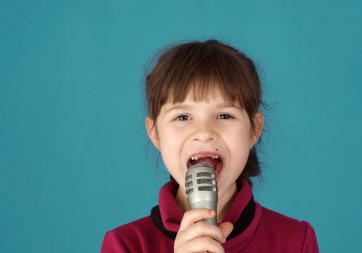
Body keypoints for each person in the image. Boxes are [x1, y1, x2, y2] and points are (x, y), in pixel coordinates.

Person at [100, 39, 319, 253]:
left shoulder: (295, 240)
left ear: (254, 130)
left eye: (224, 115)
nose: (204, 132)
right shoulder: (125, 245)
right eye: (183, 117)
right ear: (155, 134)